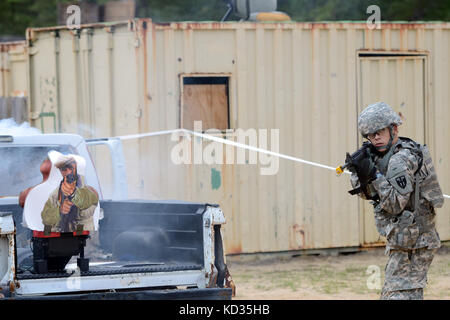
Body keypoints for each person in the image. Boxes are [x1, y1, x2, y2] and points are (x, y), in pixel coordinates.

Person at [348, 102, 444, 300]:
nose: (375, 138)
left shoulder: (402, 158)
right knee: (396, 294)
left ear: (394, 129)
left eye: (379, 132)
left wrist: (374, 175)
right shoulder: (382, 155)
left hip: (416, 243)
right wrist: (359, 173)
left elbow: (393, 204)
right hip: (404, 239)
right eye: (370, 135)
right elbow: (370, 196)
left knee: (401, 295)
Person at [41, 154, 99, 233]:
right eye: (64, 169)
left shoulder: (87, 188)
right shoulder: (55, 194)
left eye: (70, 168)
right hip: (62, 238)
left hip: (81, 236)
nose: (68, 172)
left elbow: (87, 208)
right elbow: (46, 218)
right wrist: (60, 210)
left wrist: (73, 195)